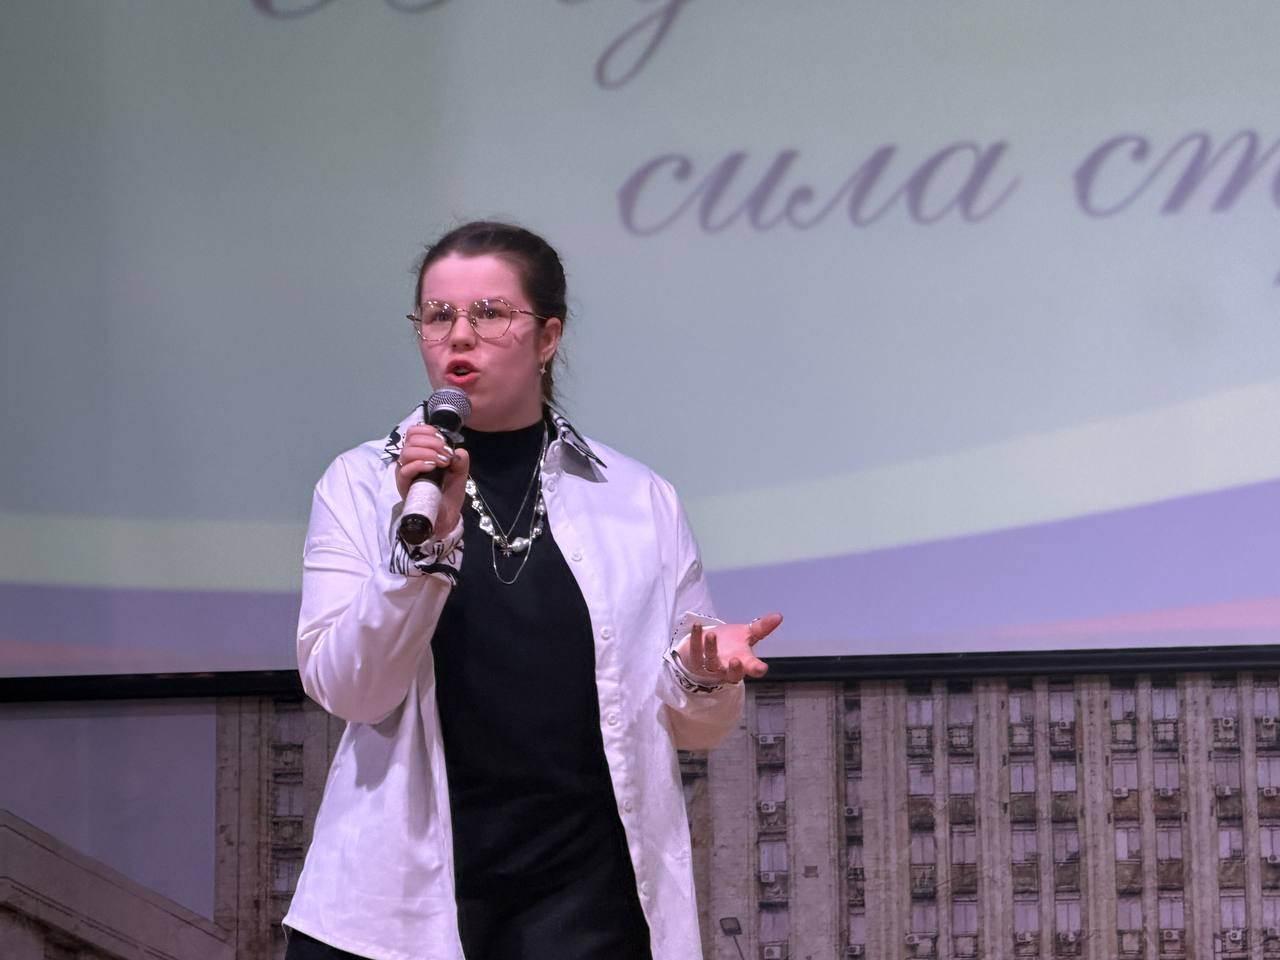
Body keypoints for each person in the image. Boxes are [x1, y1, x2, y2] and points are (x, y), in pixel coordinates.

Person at [281, 221, 781, 960]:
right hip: (396, 908)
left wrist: (702, 676)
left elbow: (694, 729)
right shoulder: (361, 485)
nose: (460, 336)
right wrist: (421, 553)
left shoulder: (637, 499)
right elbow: (349, 691)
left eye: (490, 313)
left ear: (548, 337)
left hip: (585, 903)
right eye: (438, 315)